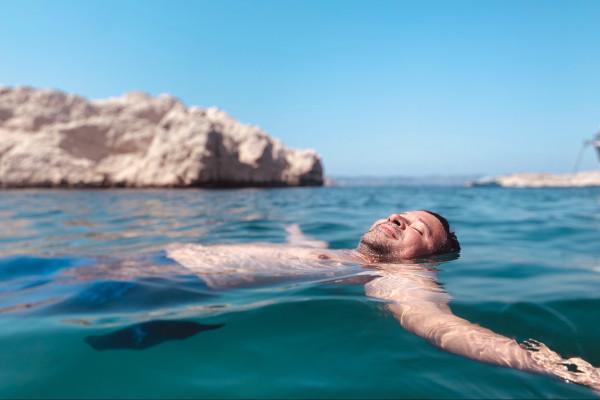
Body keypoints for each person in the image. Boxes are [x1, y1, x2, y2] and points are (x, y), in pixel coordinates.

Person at [166, 210, 600, 392]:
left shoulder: (397, 278)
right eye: (401, 212)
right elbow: (305, 244)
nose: (397, 217)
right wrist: (293, 229)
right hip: (145, 266)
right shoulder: (341, 256)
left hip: (157, 286)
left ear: (429, 258)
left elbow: (438, 326)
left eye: (417, 228)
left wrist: (564, 369)